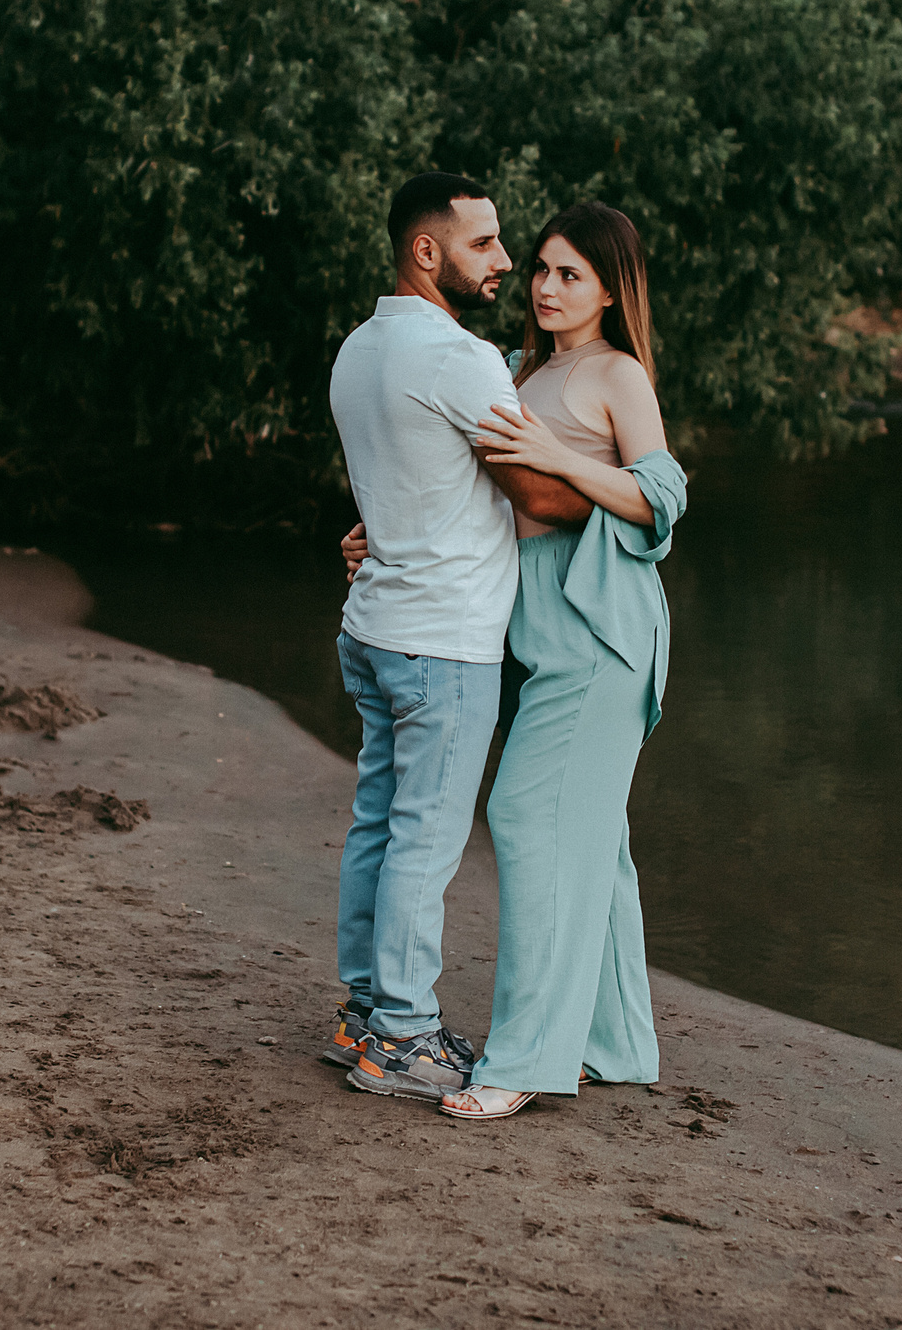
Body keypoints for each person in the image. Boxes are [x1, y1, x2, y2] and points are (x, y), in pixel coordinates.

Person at [340, 200, 687, 1122]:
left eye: (569, 273)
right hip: (537, 638)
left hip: (601, 635)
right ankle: (615, 1044)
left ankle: (524, 1059)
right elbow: (473, 489)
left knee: (527, 814)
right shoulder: (514, 369)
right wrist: (384, 533)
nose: (542, 285)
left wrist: (557, 459)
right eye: (538, 267)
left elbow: (662, 495)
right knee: (594, 844)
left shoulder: (616, 374)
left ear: (611, 290)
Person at [324, 173, 588, 1104]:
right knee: (425, 840)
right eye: (485, 244)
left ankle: (363, 1016)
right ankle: (400, 1035)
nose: (508, 262)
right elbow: (543, 498)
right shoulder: (460, 358)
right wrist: (625, 483)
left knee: (379, 822)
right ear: (425, 252)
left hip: (375, 629)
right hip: (445, 641)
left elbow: (396, 490)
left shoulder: (357, 350)